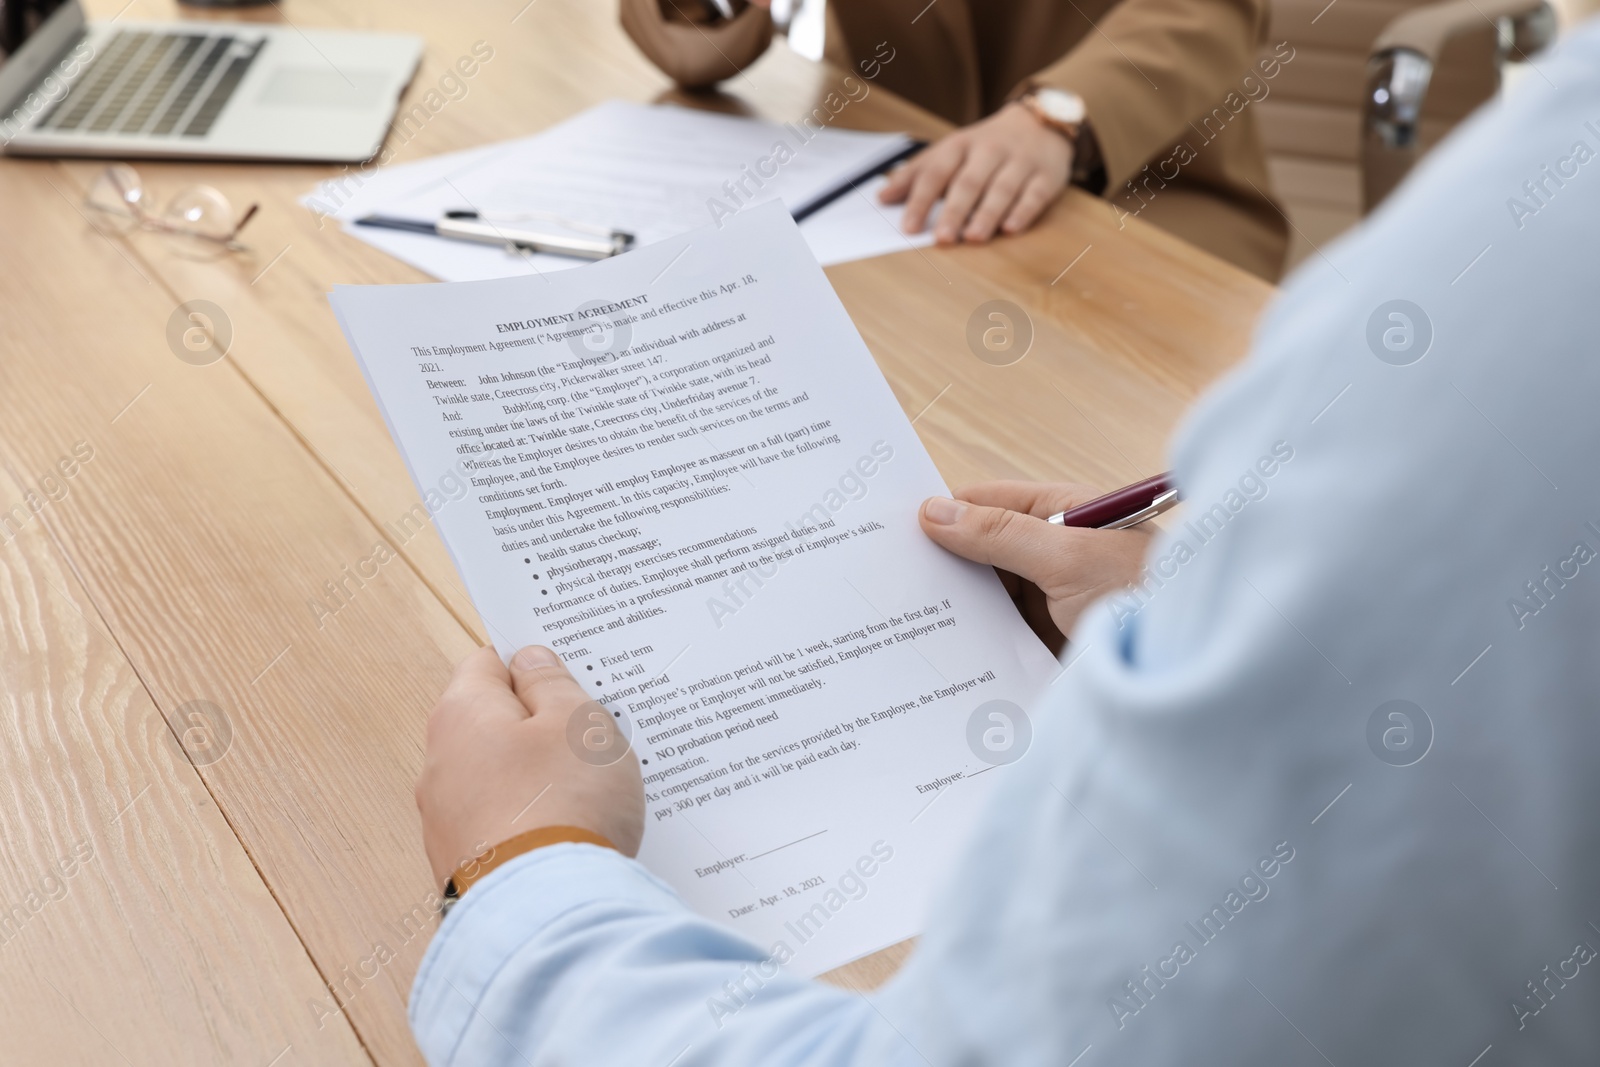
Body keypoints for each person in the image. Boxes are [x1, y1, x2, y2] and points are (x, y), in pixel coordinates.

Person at [407, 21, 1600, 1067]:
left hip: (1121, 200)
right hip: (883, 185)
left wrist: (526, 875)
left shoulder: (1538, 264)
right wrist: (1184, 596)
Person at [619, 0, 1290, 279]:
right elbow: (691, 57)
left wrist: (1053, 117)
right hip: (884, 186)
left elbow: (1213, 10)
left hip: (1140, 190)